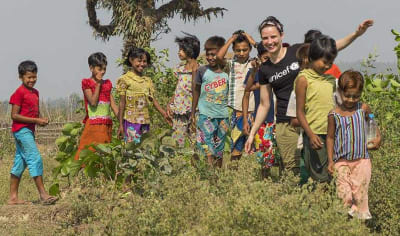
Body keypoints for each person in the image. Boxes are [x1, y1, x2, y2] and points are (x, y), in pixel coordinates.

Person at [245, 16, 373, 174]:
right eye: (265, 38)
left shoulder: (297, 51)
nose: (270, 41)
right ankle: (296, 198)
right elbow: (265, 104)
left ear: (281, 36)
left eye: (273, 37)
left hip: (313, 120)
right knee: (293, 171)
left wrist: (356, 34)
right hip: (286, 124)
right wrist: (252, 134)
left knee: (319, 170)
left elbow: (330, 48)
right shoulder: (265, 69)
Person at [327, 70, 381, 219]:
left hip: (361, 160)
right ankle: (344, 224)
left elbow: (371, 120)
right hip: (341, 162)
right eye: (348, 95)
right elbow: (330, 138)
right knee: (344, 194)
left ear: (361, 93)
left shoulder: (363, 109)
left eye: (356, 96)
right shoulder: (334, 114)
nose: (351, 99)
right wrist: (331, 160)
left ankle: (359, 226)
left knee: (360, 194)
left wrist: (378, 136)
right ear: (340, 92)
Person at [8, 60, 58, 205]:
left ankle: (13, 197)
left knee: (20, 162)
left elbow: (34, 112)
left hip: (28, 130)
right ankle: (43, 195)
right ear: (21, 77)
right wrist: (36, 120)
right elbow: (14, 115)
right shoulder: (19, 93)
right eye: (29, 77)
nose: (32, 80)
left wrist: (40, 120)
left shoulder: (35, 93)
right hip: (21, 130)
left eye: (34, 77)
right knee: (35, 158)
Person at [294, 35, 338, 182]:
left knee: (333, 173)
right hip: (315, 135)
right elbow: (299, 112)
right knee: (321, 177)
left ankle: (330, 203)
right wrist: (311, 135)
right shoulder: (303, 79)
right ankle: (321, 203)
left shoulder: (331, 81)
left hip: (333, 135)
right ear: (312, 57)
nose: (327, 66)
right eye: (325, 62)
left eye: (331, 63)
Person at [216, 30, 257, 161]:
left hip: (254, 111)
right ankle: (234, 174)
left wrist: (253, 41)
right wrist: (230, 40)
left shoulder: (254, 63)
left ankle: (259, 176)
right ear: (233, 49)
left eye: (245, 50)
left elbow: (266, 55)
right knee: (236, 146)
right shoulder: (231, 64)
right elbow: (219, 58)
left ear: (250, 49)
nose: (241, 53)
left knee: (258, 147)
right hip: (236, 110)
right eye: (238, 50)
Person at [116, 47, 171, 143]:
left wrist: (164, 114)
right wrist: (120, 124)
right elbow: (122, 103)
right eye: (139, 61)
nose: (142, 64)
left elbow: (152, 100)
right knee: (131, 148)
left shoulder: (147, 81)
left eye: (144, 61)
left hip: (145, 122)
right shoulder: (125, 79)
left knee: (144, 150)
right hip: (131, 121)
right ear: (131, 60)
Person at [192, 36, 229, 168]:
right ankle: (209, 175)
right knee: (207, 147)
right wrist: (193, 112)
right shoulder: (202, 71)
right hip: (205, 115)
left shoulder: (227, 71)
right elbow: (196, 91)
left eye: (214, 54)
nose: (210, 57)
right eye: (208, 55)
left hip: (223, 116)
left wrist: (230, 40)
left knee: (219, 149)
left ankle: (218, 175)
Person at [242, 43, 278, 177]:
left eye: (270, 58)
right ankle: (265, 180)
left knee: (279, 154)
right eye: (265, 58)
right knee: (263, 155)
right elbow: (247, 90)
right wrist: (254, 72)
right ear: (259, 58)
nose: (268, 61)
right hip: (262, 121)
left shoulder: (279, 72)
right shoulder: (256, 74)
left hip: (277, 120)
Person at [74, 52, 118, 160]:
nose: (102, 72)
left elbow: (113, 105)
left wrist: (122, 121)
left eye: (104, 69)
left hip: (106, 124)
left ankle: (102, 175)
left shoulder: (107, 84)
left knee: (104, 152)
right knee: (88, 151)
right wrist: (98, 84)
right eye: (99, 69)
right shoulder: (87, 83)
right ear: (91, 68)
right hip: (93, 123)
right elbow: (93, 102)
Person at [167, 33, 200, 147]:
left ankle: (195, 163)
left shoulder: (199, 70)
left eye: (181, 49)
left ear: (189, 51)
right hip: (179, 110)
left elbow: (196, 90)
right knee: (177, 141)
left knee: (194, 141)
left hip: (194, 111)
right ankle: (178, 163)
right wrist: (170, 103)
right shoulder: (180, 69)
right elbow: (178, 88)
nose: (179, 52)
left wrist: (193, 112)